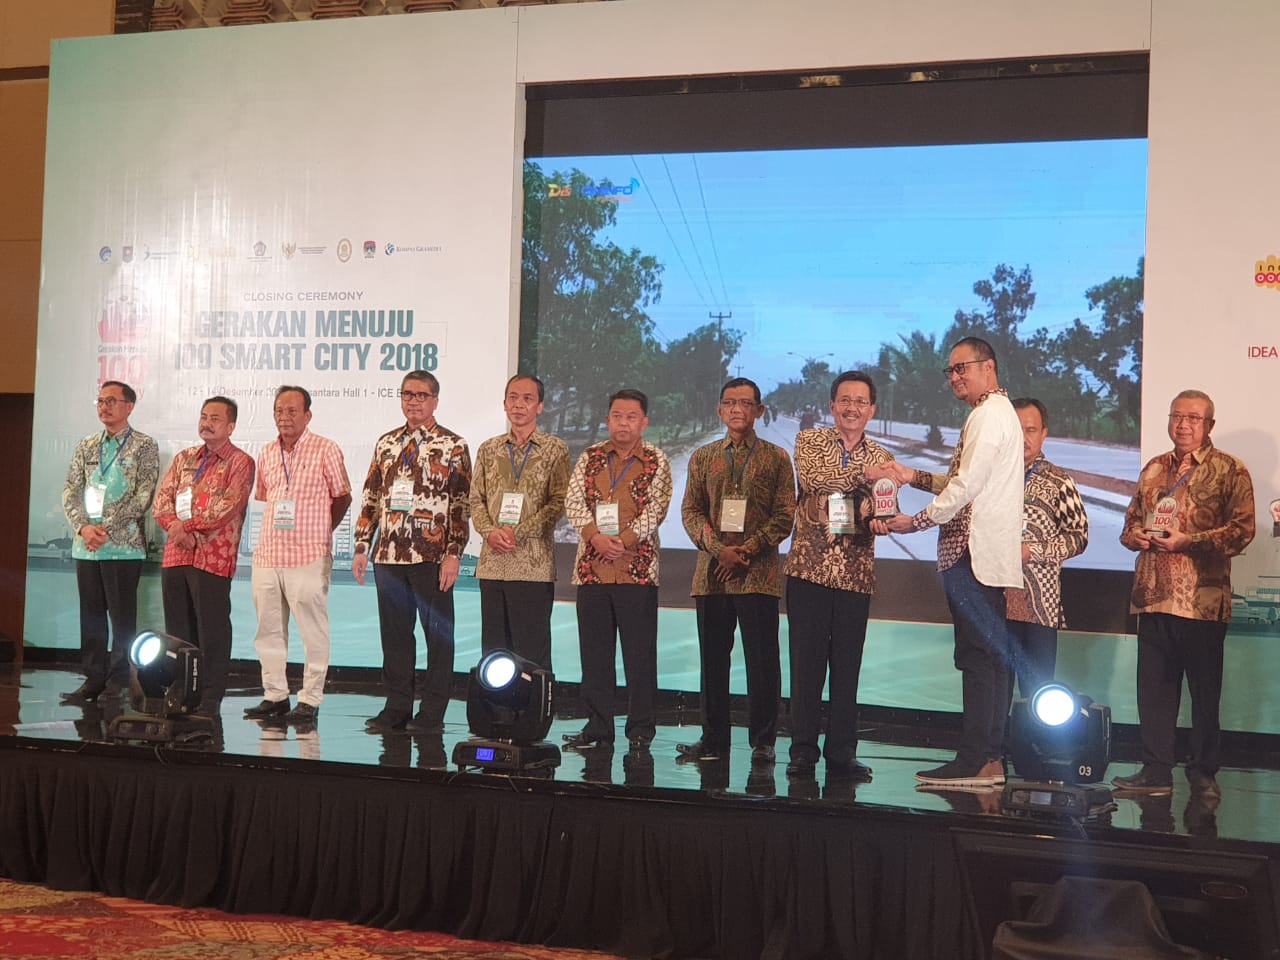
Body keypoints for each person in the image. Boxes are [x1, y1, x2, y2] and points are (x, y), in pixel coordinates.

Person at [871, 336, 1024, 787]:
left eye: (963, 368)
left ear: (988, 367)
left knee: (977, 659)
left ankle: (974, 761)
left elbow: (965, 487)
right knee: (989, 659)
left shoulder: (987, 415)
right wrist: (912, 475)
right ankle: (990, 760)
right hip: (986, 555)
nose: (955, 377)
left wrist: (915, 521)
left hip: (971, 554)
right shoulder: (998, 413)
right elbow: (966, 480)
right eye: (951, 371)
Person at [1114, 389, 1254, 797]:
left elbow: (1242, 531)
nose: (1183, 425)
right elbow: (1129, 524)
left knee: (1204, 694)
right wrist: (1137, 536)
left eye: (1193, 418)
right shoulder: (1154, 468)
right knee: (1154, 692)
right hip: (1153, 596)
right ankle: (1156, 771)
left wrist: (1188, 541)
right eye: (1177, 416)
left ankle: (1204, 772)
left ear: (1209, 425)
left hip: (1201, 603)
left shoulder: (1230, 470)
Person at [676, 377, 795, 764]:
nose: (737, 409)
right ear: (719, 410)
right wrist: (720, 551)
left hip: (758, 576)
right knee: (713, 663)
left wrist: (746, 550)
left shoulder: (777, 457)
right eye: (730, 402)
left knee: (762, 663)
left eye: (746, 403)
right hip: (711, 576)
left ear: (759, 410)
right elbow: (691, 512)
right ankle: (713, 741)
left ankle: (763, 743)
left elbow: (784, 516)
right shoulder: (703, 457)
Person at [783, 371, 893, 780]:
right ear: (832, 406)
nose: (852, 408)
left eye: (861, 402)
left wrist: (880, 518)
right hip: (808, 571)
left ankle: (842, 754)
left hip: (855, 575)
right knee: (806, 667)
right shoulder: (809, 441)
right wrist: (866, 477)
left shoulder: (881, 454)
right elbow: (816, 482)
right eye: (845, 400)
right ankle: (802, 751)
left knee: (847, 671)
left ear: (872, 410)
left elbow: (880, 506)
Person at [354, 371, 472, 734]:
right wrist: (362, 545)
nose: (414, 401)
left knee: (438, 637)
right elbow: (371, 497)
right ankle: (397, 707)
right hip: (388, 555)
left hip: (431, 556)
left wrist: (454, 553)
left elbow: (461, 504)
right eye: (408, 394)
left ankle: (432, 712)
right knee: (395, 637)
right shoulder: (386, 443)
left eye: (422, 395)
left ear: (435, 400)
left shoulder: (453, 445)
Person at [563, 388, 672, 752]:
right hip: (591, 570)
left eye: (631, 417)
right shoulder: (590, 456)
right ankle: (598, 728)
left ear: (644, 422)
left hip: (637, 571)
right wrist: (595, 537)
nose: (623, 423)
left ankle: (640, 729)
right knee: (595, 655)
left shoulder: (656, 460)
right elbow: (573, 501)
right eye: (616, 416)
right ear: (607, 419)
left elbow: (656, 510)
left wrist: (622, 541)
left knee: (639, 656)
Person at [243, 386, 352, 724]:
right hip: (268, 553)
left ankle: (310, 699)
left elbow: (343, 496)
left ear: (308, 415)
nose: (284, 417)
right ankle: (275, 695)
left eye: (292, 411)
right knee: (268, 630)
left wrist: (322, 532)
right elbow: (266, 496)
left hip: (308, 554)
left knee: (312, 630)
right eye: (279, 410)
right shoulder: (266, 452)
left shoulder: (326, 449)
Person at [152, 396, 256, 715]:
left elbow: (228, 507)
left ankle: (210, 696)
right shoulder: (184, 458)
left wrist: (187, 527)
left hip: (212, 558)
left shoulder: (240, 462)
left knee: (212, 630)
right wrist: (175, 528)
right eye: (203, 416)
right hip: (176, 554)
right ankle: (180, 690)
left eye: (215, 418)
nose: (207, 423)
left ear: (231, 426)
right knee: (178, 631)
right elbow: (162, 500)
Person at [60, 380, 159, 702]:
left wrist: (106, 528)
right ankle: (93, 678)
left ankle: (119, 681)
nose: (104, 406)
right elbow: (71, 489)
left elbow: (144, 494)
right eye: (101, 401)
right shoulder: (87, 445)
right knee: (91, 617)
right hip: (87, 547)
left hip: (123, 547)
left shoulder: (144, 446)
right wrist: (84, 528)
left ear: (129, 406)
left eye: (112, 401)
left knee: (122, 619)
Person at [469, 374, 569, 670]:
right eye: (512, 397)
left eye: (527, 398)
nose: (518, 405)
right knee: (494, 653)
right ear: (504, 404)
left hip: (532, 566)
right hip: (493, 563)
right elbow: (475, 499)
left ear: (540, 406)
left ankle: (532, 703)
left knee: (531, 654)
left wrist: (519, 532)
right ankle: (497, 703)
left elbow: (558, 501)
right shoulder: (489, 449)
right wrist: (489, 532)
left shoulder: (555, 449)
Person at [1004, 398, 1089, 696]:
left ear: (1044, 434)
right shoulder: (992, 477)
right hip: (994, 600)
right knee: (994, 689)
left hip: (1039, 606)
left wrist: (1034, 551)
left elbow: (1079, 536)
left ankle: (1031, 731)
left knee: (1036, 694)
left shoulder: (1059, 481)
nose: (1023, 438)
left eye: (1031, 430)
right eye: (1016, 429)